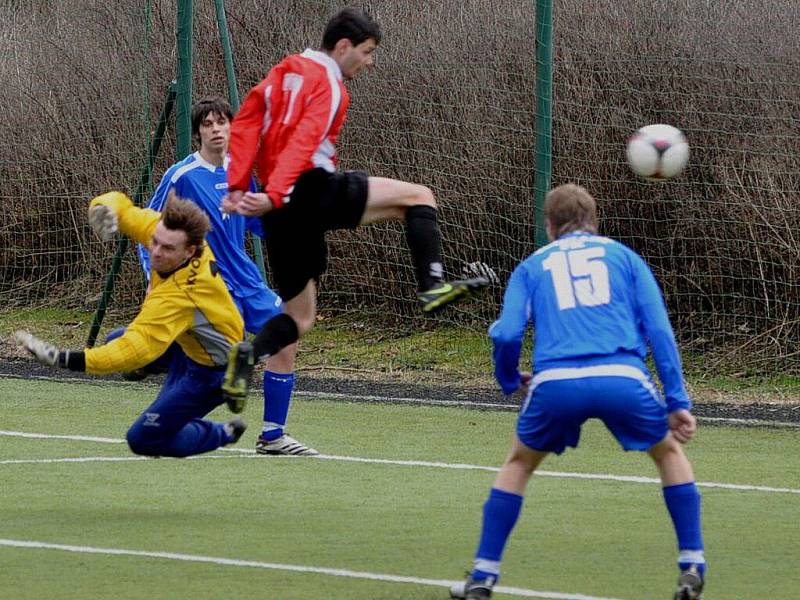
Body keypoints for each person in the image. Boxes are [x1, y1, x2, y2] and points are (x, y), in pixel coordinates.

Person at [450, 184, 706, 600]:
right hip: (622, 376)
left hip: (556, 384)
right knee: (668, 453)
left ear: (549, 226)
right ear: (595, 221)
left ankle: (483, 576)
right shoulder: (625, 257)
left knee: (518, 464)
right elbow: (660, 330)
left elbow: (508, 332)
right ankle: (692, 563)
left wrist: (509, 380)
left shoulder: (531, 265)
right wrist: (677, 402)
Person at [221, 7, 489, 383]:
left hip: (278, 209)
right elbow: (304, 141)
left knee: (299, 317)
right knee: (419, 197)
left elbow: (247, 121)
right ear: (343, 46)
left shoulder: (284, 71)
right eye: (366, 51)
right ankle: (433, 286)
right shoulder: (330, 85)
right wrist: (278, 192)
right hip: (309, 189)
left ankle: (248, 354)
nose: (370, 61)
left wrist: (239, 186)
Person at [132, 97, 317, 456]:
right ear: (198, 132)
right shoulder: (182, 176)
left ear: (232, 127)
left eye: (222, 123)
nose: (216, 130)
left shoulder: (241, 171)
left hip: (246, 281)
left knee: (288, 332)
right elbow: (148, 229)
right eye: (208, 124)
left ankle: (273, 435)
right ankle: (165, 425)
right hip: (208, 286)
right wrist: (153, 279)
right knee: (215, 371)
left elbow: (256, 222)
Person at [15, 192, 254, 458]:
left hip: (213, 372)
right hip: (188, 344)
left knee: (143, 439)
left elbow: (136, 348)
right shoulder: (166, 234)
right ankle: (166, 386)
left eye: (167, 249)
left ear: (190, 251)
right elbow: (126, 209)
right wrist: (103, 208)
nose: (156, 252)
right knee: (114, 339)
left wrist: (67, 359)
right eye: (155, 243)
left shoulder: (180, 295)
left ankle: (224, 432)